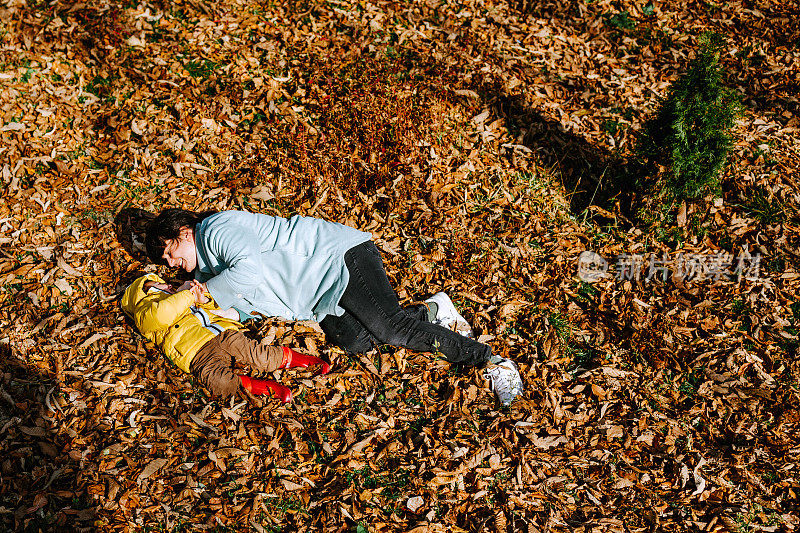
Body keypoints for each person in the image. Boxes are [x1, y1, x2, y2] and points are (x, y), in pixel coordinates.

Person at [145, 209, 523, 403]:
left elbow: (248, 271)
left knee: (392, 327)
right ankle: (432, 311)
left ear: (183, 231)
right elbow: (242, 308)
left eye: (171, 252)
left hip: (338, 258)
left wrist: (202, 289)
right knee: (357, 341)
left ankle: (492, 362)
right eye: (166, 263)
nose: (172, 263)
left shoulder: (216, 229)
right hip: (320, 294)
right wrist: (182, 298)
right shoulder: (209, 269)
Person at [120, 272, 331, 403]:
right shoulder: (145, 312)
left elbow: (213, 309)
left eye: (165, 284)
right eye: (159, 286)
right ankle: (268, 389)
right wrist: (186, 294)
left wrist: (201, 300)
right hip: (195, 354)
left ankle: (305, 361)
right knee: (219, 382)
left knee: (257, 354)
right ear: (145, 293)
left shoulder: (180, 299)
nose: (168, 286)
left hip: (220, 334)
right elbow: (161, 315)